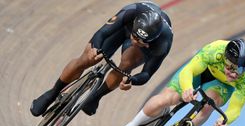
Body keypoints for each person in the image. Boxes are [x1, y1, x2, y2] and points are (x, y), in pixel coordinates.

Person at [110, 38, 245, 126]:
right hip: (202, 71)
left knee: (208, 106)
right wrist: (187, 88)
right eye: (230, 67)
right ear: (225, 58)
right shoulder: (215, 51)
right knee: (169, 98)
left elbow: (236, 108)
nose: (233, 74)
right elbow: (189, 71)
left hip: (221, 86)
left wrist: (224, 121)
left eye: (239, 71)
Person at [30, 2, 173, 117]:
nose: (136, 41)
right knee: (87, 59)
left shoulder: (163, 43)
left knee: (127, 64)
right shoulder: (132, 11)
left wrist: (131, 80)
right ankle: (52, 93)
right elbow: (102, 33)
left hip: (142, 46)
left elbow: (147, 74)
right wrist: (94, 49)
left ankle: (95, 97)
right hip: (122, 28)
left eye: (140, 40)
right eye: (135, 37)